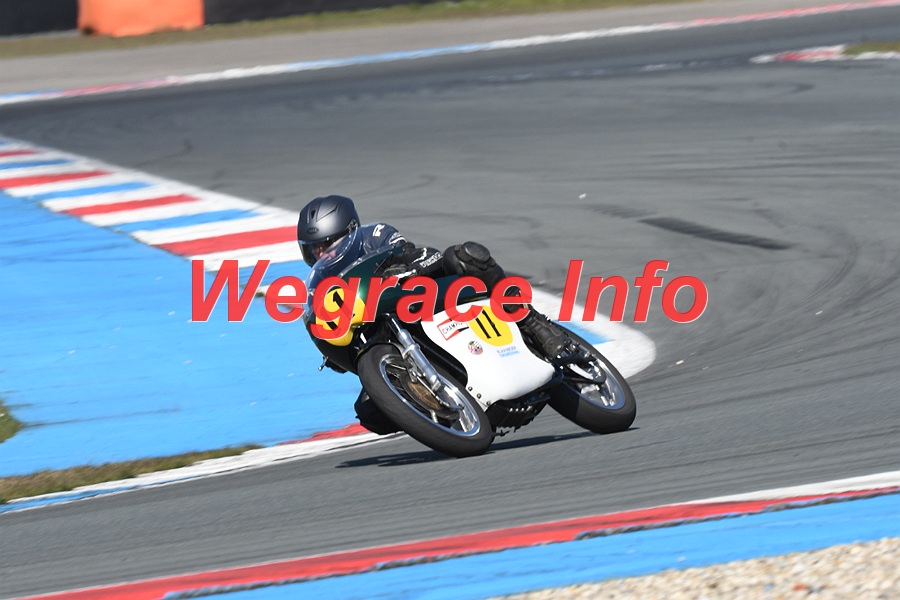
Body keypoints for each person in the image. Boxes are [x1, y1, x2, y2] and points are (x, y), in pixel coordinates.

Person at [297, 194, 569, 434]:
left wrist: (407, 269)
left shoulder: (375, 235)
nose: (320, 253)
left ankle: (532, 322)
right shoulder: (322, 283)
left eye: (325, 244)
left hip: (427, 296)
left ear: (348, 231)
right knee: (369, 412)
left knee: (465, 255)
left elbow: (421, 254)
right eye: (312, 249)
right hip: (391, 333)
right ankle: (443, 412)